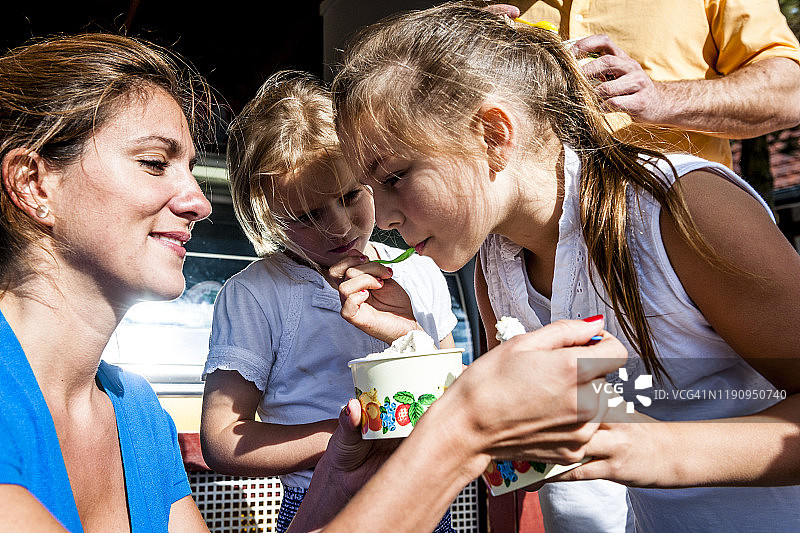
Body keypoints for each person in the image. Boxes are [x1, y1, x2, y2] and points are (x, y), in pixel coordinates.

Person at [318, 3, 800, 531]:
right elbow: (560, 426)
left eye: (394, 176)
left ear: (493, 134)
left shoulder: (687, 210)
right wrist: (414, 344)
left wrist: (656, 447)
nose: (382, 217)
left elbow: (631, 436)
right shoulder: (499, 264)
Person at [198, 71, 458, 533]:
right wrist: (344, 436)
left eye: (349, 196)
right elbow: (222, 442)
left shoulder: (418, 269)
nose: (338, 227)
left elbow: (450, 390)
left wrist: (411, 331)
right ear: (265, 214)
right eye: (308, 215)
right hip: (319, 499)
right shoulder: (256, 294)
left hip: (426, 496)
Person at [0, 34, 213, 532]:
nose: (198, 202)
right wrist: (435, 442)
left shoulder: (136, 411)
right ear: (34, 185)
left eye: (191, 170)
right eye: (155, 163)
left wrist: (339, 473)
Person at [507, 0, 800, 168]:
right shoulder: (474, 7)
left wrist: (662, 100)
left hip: (684, 234)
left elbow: (790, 92)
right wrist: (464, 56)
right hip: (536, 258)